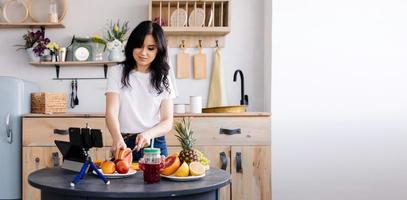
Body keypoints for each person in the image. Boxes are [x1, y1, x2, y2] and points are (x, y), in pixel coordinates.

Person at [105, 20, 175, 162]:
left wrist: (148, 134)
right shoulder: (116, 72)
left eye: (150, 48)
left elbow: (167, 121)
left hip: (154, 143)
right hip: (124, 144)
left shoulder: (163, 76)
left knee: (156, 184)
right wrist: (116, 137)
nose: (143, 53)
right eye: (139, 46)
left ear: (159, 50)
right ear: (131, 46)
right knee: (124, 184)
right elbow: (111, 112)